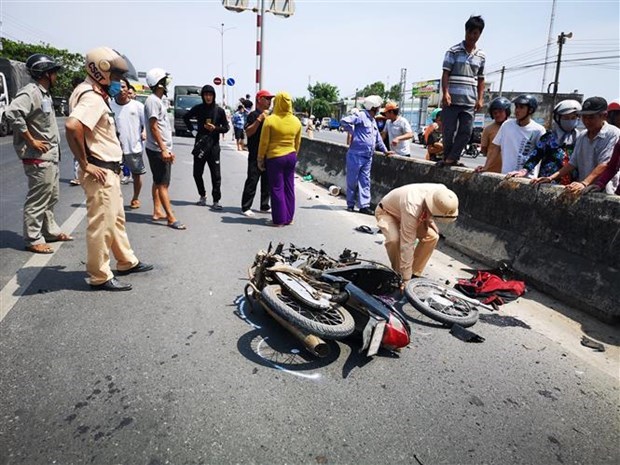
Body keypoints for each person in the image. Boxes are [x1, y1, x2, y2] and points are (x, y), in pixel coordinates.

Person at [66, 47, 152, 291]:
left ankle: (126, 261)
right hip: (101, 171)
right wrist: (85, 164)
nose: (117, 82)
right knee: (102, 225)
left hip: (108, 170)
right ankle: (99, 275)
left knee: (115, 220)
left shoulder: (90, 92)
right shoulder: (92, 97)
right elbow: (73, 126)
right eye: (114, 76)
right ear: (100, 70)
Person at [5, 53, 73, 254]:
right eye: (54, 73)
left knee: (51, 196)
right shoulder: (31, 92)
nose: (56, 77)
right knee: (38, 199)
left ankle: (50, 231)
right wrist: (31, 140)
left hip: (50, 156)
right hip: (38, 156)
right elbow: (12, 112)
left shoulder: (44, 94)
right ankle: (33, 238)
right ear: (45, 74)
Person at [532, 96, 620, 194]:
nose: (587, 121)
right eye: (584, 117)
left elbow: (605, 164)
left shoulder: (613, 133)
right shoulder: (582, 136)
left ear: (604, 116)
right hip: (584, 189)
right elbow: (572, 163)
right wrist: (550, 178)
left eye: (591, 117)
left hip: (604, 190)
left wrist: (584, 183)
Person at [376, 184, 459, 282]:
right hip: (387, 212)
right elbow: (407, 245)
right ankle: (399, 275)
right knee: (394, 240)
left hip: (416, 213)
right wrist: (405, 278)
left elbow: (429, 208)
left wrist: (429, 220)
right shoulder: (412, 208)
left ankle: (414, 274)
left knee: (432, 237)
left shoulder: (442, 192)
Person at [440, 15, 486, 167]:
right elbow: (445, 73)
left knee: (466, 132)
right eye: (471, 32)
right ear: (466, 31)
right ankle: (448, 158)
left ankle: (452, 158)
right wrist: (445, 93)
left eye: (476, 33)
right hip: (452, 99)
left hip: (469, 100)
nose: (473, 36)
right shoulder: (453, 51)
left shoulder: (481, 56)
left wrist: (480, 99)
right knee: (448, 131)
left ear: (480, 34)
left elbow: (480, 79)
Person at [144, 67, 186, 229]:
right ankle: (171, 217)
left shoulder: (156, 100)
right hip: (157, 149)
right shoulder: (153, 101)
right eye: (164, 81)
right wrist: (163, 149)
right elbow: (154, 127)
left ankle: (157, 211)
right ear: (158, 83)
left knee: (157, 180)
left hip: (159, 148)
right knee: (163, 184)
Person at [506, 99, 582, 182]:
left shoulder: (580, 138)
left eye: (573, 118)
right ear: (558, 118)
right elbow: (536, 156)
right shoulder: (548, 138)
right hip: (548, 182)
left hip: (572, 186)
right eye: (566, 118)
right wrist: (524, 170)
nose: (570, 121)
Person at [340, 95, 391, 215]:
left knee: (365, 181)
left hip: (368, 156)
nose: (379, 110)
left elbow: (377, 138)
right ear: (373, 107)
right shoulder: (361, 116)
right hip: (356, 154)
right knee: (352, 180)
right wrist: (353, 132)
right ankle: (350, 204)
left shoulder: (373, 120)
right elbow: (344, 121)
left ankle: (364, 205)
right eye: (378, 107)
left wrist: (385, 150)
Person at [257, 91, 301, 227]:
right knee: (289, 187)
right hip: (291, 156)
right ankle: (289, 217)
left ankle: (279, 219)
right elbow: (297, 142)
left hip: (275, 157)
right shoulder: (296, 121)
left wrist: (260, 158)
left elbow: (264, 142)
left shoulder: (270, 120)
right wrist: (294, 154)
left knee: (276, 188)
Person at [183, 85, 229, 210]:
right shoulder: (198, 108)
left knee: (216, 175)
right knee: (197, 173)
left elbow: (226, 127)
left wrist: (216, 128)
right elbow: (185, 117)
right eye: (206, 94)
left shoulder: (219, 111)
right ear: (203, 96)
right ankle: (202, 195)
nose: (208, 97)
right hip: (200, 145)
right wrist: (193, 131)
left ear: (214, 96)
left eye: (210, 95)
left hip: (214, 146)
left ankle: (216, 200)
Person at [110, 78, 147, 209]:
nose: (121, 90)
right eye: (118, 86)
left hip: (133, 147)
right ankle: (116, 199)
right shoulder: (109, 105)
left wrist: (145, 133)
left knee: (136, 175)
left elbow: (146, 124)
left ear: (128, 89)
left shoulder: (137, 106)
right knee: (114, 176)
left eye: (123, 87)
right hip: (114, 148)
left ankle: (135, 198)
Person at [489, 94, 545, 175]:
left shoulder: (538, 130)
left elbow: (541, 155)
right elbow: (496, 148)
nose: (517, 110)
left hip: (527, 179)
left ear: (530, 110)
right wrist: (486, 167)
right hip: (506, 175)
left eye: (521, 107)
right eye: (516, 107)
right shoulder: (507, 125)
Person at [241, 89, 274, 216]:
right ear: (259, 100)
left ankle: (264, 205)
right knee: (252, 180)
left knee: (267, 181)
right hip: (255, 153)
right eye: (267, 99)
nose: (269, 101)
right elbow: (248, 132)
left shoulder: (271, 116)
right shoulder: (253, 115)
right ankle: (246, 206)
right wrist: (259, 119)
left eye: (270, 99)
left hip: (267, 153)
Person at [475, 96, 511, 173]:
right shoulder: (488, 129)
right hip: (491, 169)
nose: (497, 115)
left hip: (510, 171)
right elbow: (484, 150)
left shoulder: (514, 126)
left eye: (500, 112)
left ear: (507, 112)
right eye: (495, 113)